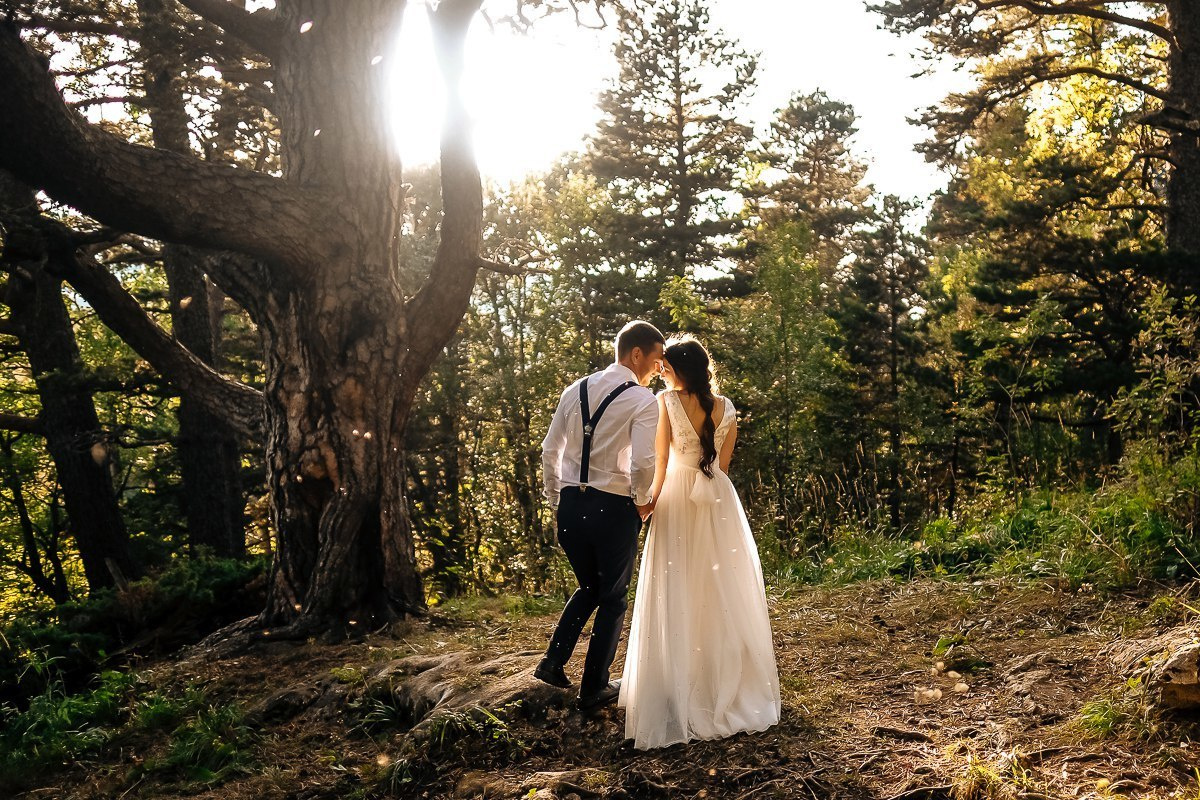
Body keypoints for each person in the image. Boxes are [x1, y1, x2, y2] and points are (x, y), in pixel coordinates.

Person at [619, 335, 780, 748]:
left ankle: (679, 680)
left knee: (678, 583)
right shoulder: (727, 408)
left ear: (679, 370)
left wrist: (649, 502)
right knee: (719, 586)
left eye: (667, 368)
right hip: (718, 499)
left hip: (677, 496)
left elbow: (660, 461)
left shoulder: (665, 402)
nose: (662, 374)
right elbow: (721, 465)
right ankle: (721, 678)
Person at [536, 320, 665, 709]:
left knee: (591, 587)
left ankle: (552, 662)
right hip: (613, 508)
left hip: (571, 506)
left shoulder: (574, 389)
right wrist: (641, 500)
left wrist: (557, 501)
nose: (659, 368)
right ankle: (594, 686)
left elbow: (550, 451)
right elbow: (643, 461)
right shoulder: (642, 400)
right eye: (657, 359)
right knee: (613, 597)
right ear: (636, 354)